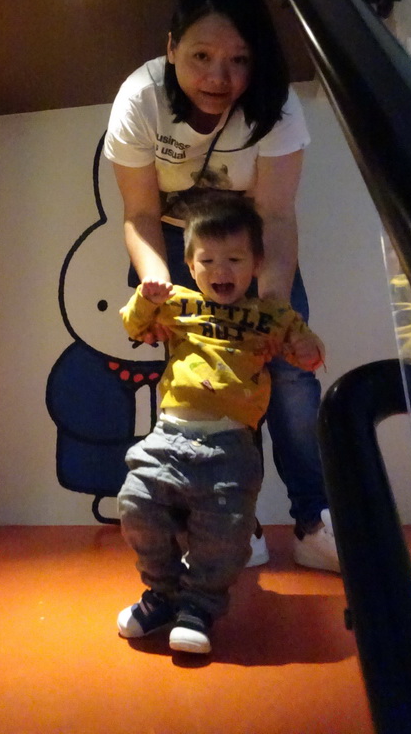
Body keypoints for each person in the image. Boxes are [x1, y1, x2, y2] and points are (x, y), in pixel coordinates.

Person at [104, 0, 339, 572]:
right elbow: (138, 213)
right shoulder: (141, 98)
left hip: (251, 245)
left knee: (288, 380)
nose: (219, 77)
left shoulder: (275, 106)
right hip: (179, 250)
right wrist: (156, 283)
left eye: (238, 60)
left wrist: (273, 305)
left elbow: (277, 215)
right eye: (201, 56)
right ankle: (233, 525)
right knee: (205, 387)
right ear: (170, 50)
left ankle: (316, 521)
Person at [117, 195, 325, 653]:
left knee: (225, 532)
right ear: (190, 266)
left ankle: (200, 605)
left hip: (230, 445)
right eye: (207, 260)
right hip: (167, 437)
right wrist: (145, 296)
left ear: (256, 264)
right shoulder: (180, 305)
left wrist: (307, 348)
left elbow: (300, 341)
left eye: (234, 259)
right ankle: (161, 593)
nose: (221, 270)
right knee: (135, 504)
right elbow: (133, 326)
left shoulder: (268, 315)